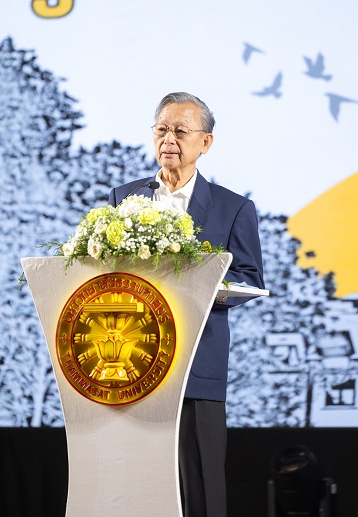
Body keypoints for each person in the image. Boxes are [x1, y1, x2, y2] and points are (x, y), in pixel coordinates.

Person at [108, 92, 264, 517]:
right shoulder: (125, 197)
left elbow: (249, 278)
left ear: (205, 142)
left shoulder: (234, 208)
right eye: (162, 129)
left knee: (201, 484)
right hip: (133, 362)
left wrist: (199, 285)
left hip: (198, 363)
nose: (169, 139)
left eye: (180, 130)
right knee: (137, 481)